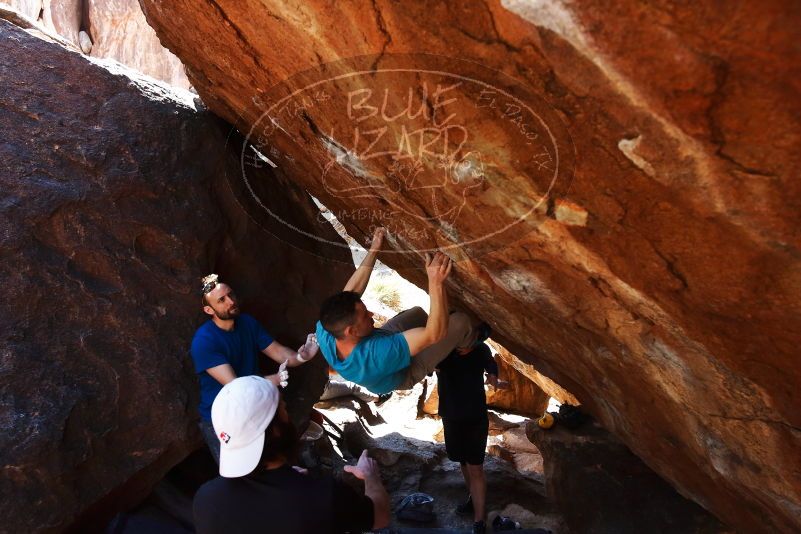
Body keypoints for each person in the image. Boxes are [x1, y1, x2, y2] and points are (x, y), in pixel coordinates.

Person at [193, 376, 390, 534]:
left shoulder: (206, 500)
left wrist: (293, 485)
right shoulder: (325, 497)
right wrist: (370, 476)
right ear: (276, 430)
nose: (288, 413)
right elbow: (380, 516)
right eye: (284, 409)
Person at [316, 227, 481, 395]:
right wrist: (435, 282)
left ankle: (435, 336)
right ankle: (468, 343)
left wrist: (374, 250)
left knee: (417, 314)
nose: (371, 314)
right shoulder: (376, 355)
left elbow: (350, 293)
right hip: (404, 373)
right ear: (351, 331)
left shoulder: (326, 328)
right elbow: (433, 335)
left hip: (380, 346)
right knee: (460, 321)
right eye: (365, 316)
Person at [191, 274, 319, 463]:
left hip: (255, 405)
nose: (231, 301)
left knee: (277, 460)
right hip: (223, 418)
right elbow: (235, 387)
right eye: (222, 300)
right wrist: (273, 380)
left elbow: (276, 351)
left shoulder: (246, 323)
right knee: (240, 474)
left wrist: (302, 356)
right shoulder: (204, 341)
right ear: (209, 310)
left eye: (230, 295)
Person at [436, 338, 506, 534]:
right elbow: (425, 362)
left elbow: (490, 362)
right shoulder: (442, 348)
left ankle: (479, 520)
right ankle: (472, 499)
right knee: (463, 462)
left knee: (475, 468)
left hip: (474, 417)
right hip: (451, 416)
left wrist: (493, 375)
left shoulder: (479, 348)